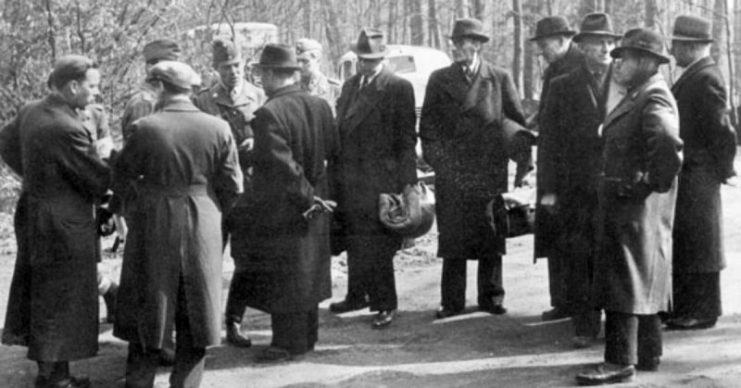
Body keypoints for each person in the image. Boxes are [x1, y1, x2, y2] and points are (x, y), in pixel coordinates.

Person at [112, 61, 242, 388]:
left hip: (154, 219)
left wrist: (137, 207)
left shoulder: (145, 127)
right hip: (204, 219)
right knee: (197, 308)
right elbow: (232, 186)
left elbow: (122, 176)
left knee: (149, 304)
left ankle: (139, 382)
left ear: (158, 86)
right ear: (190, 89)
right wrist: (213, 212)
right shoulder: (218, 127)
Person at [576, 28, 683, 385]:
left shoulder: (652, 95)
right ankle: (648, 352)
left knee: (623, 279)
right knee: (641, 275)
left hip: (632, 204)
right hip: (633, 204)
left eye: (624, 58)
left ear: (645, 62)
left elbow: (667, 142)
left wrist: (649, 184)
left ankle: (619, 360)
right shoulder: (640, 93)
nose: (617, 63)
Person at [0, 55, 110, 388]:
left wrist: (33, 173)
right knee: (63, 295)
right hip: (64, 221)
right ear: (72, 86)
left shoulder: (32, 109)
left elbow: (4, 142)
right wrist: (105, 155)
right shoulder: (69, 128)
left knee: (43, 291)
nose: (95, 93)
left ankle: (52, 372)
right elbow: (97, 180)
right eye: (91, 86)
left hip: (33, 211)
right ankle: (55, 379)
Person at [231, 44, 338, 361]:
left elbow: (281, 165)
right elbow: (332, 150)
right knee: (309, 271)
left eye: (263, 73)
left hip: (286, 206)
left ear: (271, 75)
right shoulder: (320, 105)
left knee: (287, 275)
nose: (261, 80)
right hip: (317, 201)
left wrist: (306, 196)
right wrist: (318, 194)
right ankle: (307, 338)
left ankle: (287, 343)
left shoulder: (269, 113)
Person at [420, 18, 527, 319]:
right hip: (452, 171)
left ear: (478, 45)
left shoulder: (499, 77)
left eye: (464, 42)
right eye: (455, 42)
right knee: (452, 236)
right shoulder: (439, 79)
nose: (457, 48)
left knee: (490, 233)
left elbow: (516, 122)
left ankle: (491, 295)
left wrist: (519, 160)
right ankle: (452, 300)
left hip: (488, 170)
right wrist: (439, 161)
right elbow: (428, 127)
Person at [539, 13, 621, 348]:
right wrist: (548, 193)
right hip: (576, 190)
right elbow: (549, 145)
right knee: (579, 257)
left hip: (618, 188)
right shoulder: (563, 85)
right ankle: (585, 325)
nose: (604, 48)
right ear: (581, 45)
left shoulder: (627, 81)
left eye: (608, 41)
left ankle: (619, 328)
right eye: (596, 41)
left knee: (616, 258)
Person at [328, 28, 417, 328]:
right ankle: (356, 295)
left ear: (383, 57)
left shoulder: (397, 87)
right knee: (354, 239)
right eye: (363, 58)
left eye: (372, 59)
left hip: (381, 181)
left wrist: (407, 184)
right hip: (349, 179)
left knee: (378, 246)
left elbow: (406, 141)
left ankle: (385, 304)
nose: (366, 64)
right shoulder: (350, 85)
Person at [193, 39, 266, 348]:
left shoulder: (258, 96)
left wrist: (257, 143)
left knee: (246, 258)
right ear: (216, 69)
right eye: (226, 67)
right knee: (208, 258)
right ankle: (202, 324)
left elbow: (271, 135)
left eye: (237, 65)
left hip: (248, 191)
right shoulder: (204, 101)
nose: (233, 71)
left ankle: (234, 320)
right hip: (216, 192)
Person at [665, 15, 737, 331]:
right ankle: (688, 308)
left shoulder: (706, 77)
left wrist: (721, 169)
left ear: (693, 47)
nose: (672, 50)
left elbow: (722, 130)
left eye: (678, 45)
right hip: (691, 171)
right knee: (689, 241)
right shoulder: (695, 74)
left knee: (701, 243)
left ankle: (704, 311)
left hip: (699, 172)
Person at [529, 15, 587, 322]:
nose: (541, 51)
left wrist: (553, 185)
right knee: (557, 236)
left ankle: (576, 304)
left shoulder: (579, 68)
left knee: (573, 240)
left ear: (564, 40)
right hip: (554, 166)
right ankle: (563, 301)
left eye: (545, 44)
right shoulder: (554, 69)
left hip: (571, 173)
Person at [121, 39, 181, 141]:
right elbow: (138, 149)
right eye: (168, 66)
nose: (174, 70)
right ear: (150, 68)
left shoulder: (169, 97)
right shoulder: (143, 103)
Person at [295, 38, 341, 109]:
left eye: (305, 61)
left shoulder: (333, 89)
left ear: (318, 60)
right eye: (298, 61)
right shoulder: (293, 88)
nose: (299, 66)